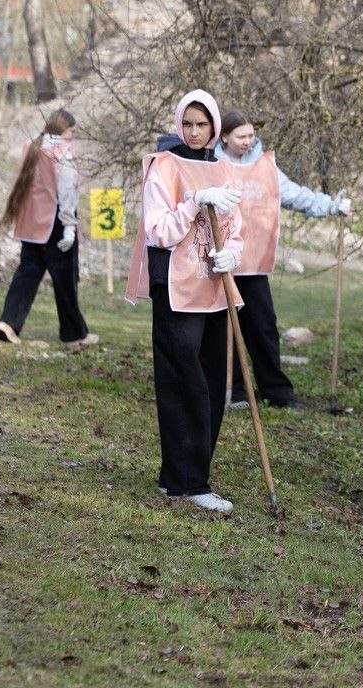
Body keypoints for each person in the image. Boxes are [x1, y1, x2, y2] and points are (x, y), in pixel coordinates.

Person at [124, 89, 244, 514]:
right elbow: (159, 231)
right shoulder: (165, 166)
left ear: (214, 127)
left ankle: (180, 476)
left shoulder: (226, 170)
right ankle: (191, 482)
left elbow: (235, 227)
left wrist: (236, 253)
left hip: (214, 286)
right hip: (176, 288)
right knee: (183, 381)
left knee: (213, 382)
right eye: (187, 124)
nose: (194, 132)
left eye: (202, 124)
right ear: (179, 125)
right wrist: (194, 202)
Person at [211, 109, 351, 408]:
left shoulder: (266, 167)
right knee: (224, 329)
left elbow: (293, 194)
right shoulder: (212, 166)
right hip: (220, 262)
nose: (248, 141)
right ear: (224, 136)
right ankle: (234, 390)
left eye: (251, 135)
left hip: (254, 263)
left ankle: (275, 391)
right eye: (241, 136)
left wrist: (331, 206)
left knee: (262, 327)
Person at [0, 109, 98, 348]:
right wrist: (70, 227)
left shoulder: (30, 146)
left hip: (31, 225)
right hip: (57, 224)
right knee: (66, 281)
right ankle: (75, 335)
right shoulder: (64, 153)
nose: (72, 136)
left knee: (26, 275)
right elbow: (66, 193)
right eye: (72, 131)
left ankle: (8, 323)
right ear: (64, 130)